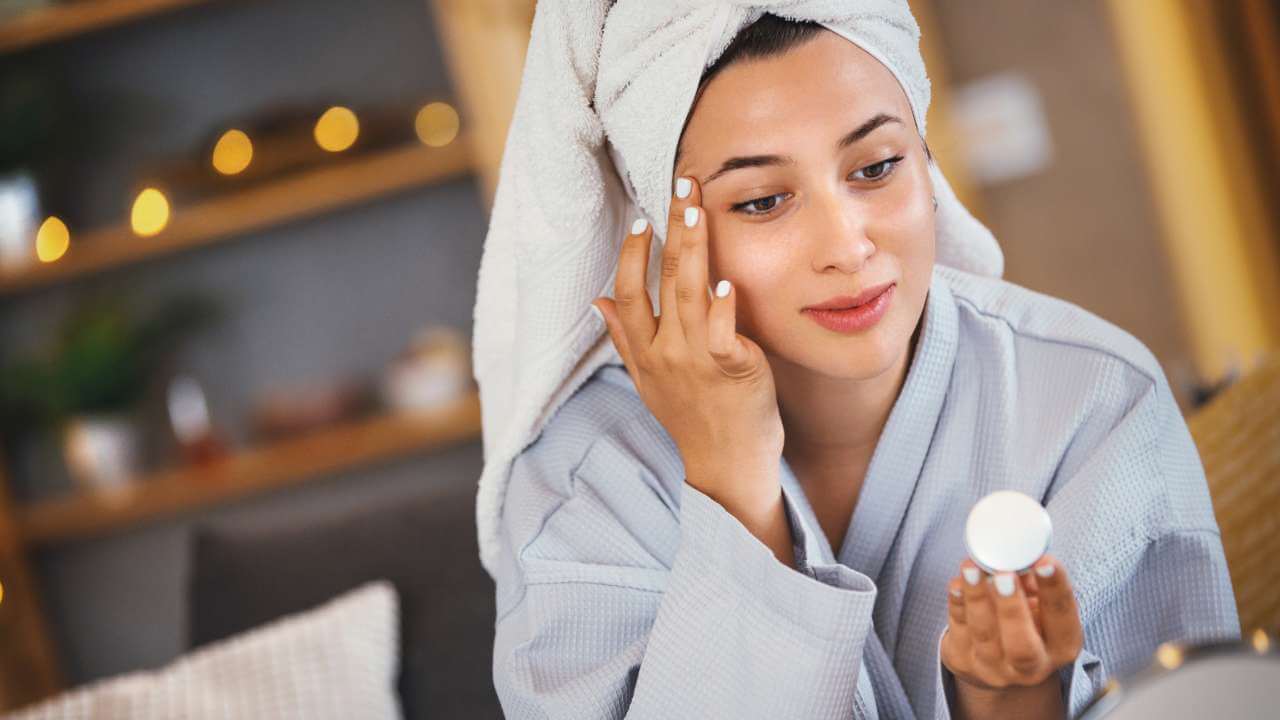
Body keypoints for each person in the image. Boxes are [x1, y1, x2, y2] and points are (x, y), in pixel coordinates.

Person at [484, 10, 1239, 720]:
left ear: (929, 162)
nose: (846, 245)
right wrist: (730, 484)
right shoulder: (586, 484)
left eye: (876, 167)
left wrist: (1014, 699)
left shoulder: (1093, 400)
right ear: (667, 234)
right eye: (762, 201)